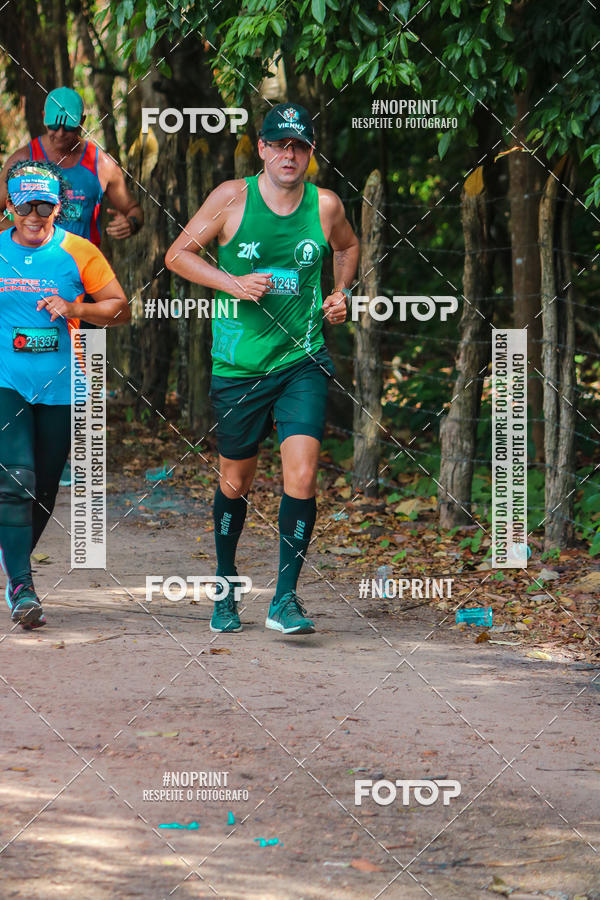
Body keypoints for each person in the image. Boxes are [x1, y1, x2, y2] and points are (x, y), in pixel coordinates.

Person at [166, 102, 359, 635]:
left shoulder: (325, 206)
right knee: (236, 479)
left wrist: (341, 292)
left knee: (302, 474)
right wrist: (233, 283)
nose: (288, 154)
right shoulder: (231, 199)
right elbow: (176, 255)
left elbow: (347, 246)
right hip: (239, 366)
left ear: (310, 153)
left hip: (303, 359)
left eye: (299, 146)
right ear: (262, 149)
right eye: (279, 144)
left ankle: (285, 600)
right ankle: (226, 589)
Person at [0, 159, 130, 628]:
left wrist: (75, 307)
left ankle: (13, 561)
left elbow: (120, 309)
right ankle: (22, 586)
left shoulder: (79, 251)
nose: (35, 216)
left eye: (45, 206)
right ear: (10, 205)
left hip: (61, 385)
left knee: (44, 491)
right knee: (16, 479)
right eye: (25, 205)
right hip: (5, 381)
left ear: (59, 207)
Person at [0, 86, 144, 244]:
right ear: (43, 117)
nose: (61, 133)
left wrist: (131, 223)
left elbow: (134, 210)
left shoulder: (101, 164)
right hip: (35, 264)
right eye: (54, 126)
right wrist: (24, 230)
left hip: (83, 264)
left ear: (82, 121)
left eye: (69, 126)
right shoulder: (23, 160)